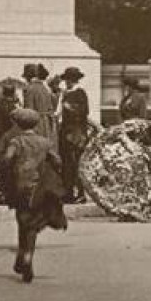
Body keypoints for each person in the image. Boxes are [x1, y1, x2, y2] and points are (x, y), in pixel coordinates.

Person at [1, 107, 66, 284]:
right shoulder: (45, 142)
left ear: (19, 124)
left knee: (22, 220)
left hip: (20, 186)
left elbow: (6, 159)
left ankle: (23, 255)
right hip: (39, 188)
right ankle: (26, 255)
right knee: (32, 223)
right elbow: (57, 160)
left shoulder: (16, 141)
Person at [58, 66, 89, 203]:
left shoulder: (80, 93)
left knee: (75, 163)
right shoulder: (66, 93)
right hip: (66, 131)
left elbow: (84, 111)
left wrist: (70, 108)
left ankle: (79, 193)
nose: (66, 82)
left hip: (76, 132)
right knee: (67, 163)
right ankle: (68, 191)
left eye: (68, 80)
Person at [22, 63, 57, 143]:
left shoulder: (29, 89)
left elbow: (28, 112)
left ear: (28, 77)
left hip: (36, 126)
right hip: (46, 125)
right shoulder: (44, 88)